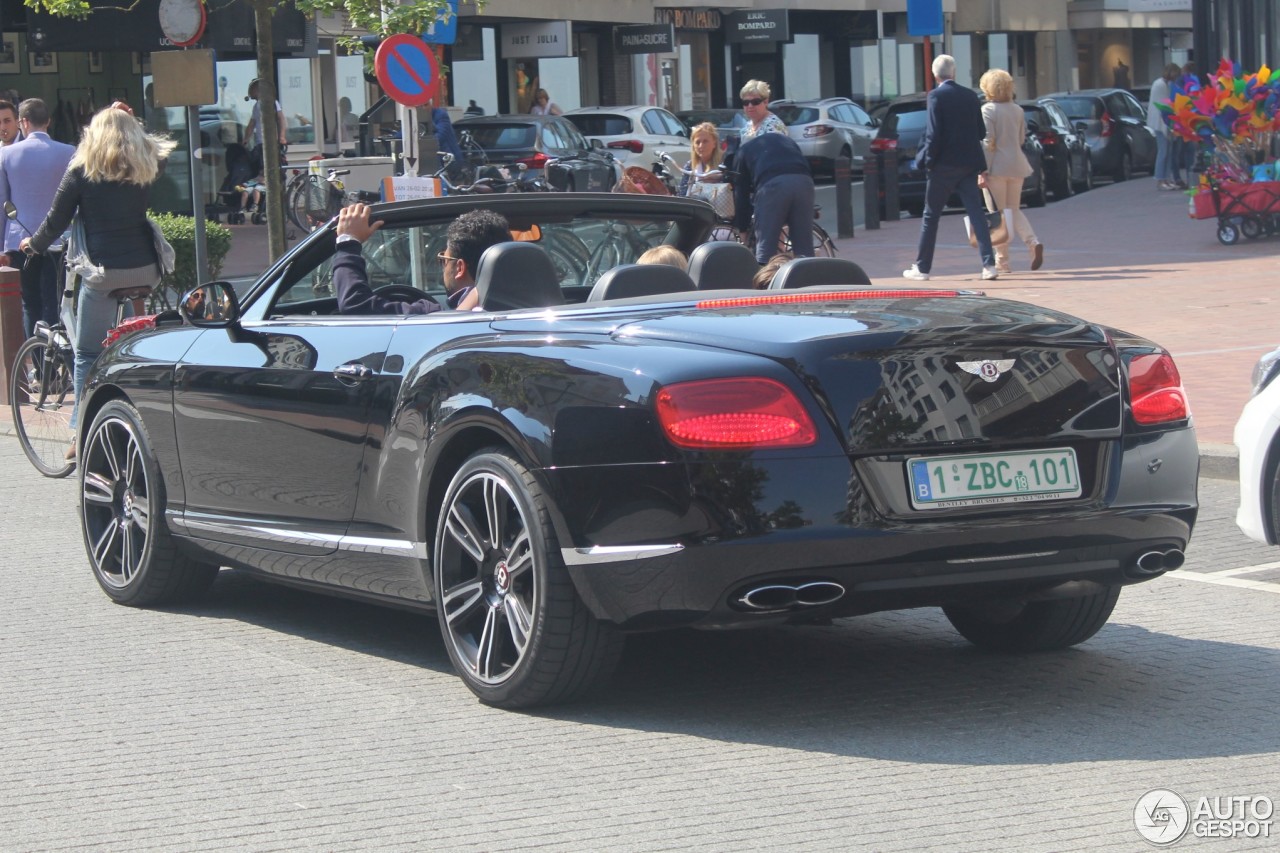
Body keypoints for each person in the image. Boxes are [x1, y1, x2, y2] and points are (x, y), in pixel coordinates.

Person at [21, 105, 176, 458]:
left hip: (104, 272)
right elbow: (152, 147)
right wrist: (133, 121)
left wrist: (33, 244)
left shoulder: (81, 170)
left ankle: (80, 431)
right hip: (147, 269)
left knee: (87, 352)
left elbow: (56, 220)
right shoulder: (146, 166)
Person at [903, 54, 999, 282]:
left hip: (943, 165)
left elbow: (933, 133)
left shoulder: (936, 96)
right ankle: (989, 264)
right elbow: (980, 132)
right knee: (976, 212)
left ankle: (923, 268)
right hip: (968, 164)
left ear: (935, 74)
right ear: (954, 72)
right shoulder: (970, 96)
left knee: (931, 215)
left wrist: (928, 162)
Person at [334, 204, 511, 314]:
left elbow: (355, 305)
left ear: (459, 268)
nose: (442, 266)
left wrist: (348, 242)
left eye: (443, 259)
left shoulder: (435, 318)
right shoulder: (534, 310)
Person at [0, 99, 76, 338]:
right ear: (49, 121)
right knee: (56, 301)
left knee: (30, 303)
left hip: (21, 240)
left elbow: (2, 203)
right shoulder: (69, 152)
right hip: (61, 239)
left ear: (23, 122)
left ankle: (39, 365)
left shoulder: (6, 155)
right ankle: (57, 360)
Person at [979, 68, 1044, 273]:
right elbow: (1021, 139)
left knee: (997, 214)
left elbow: (988, 142)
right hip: (1017, 165)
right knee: (1013, 210)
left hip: (996, 167)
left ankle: (1002, 261)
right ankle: (1032, 242)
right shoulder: (1017, 109)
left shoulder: (987, 110)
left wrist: (982, 170)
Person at [731, 124, 816, 264]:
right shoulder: (786, 141)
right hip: (804, 181)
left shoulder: (742, 151)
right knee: (804, 250)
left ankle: (764, 282)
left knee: (766, 249)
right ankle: (809, 281)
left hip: (773, 186)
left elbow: (741, 195)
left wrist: (742, 229)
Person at [243, 78, 286, 174]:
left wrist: (282, 137)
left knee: (268, 170)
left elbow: (281, 118)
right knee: (260, 169)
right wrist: (245, 139)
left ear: (257, 90)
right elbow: (251, 124)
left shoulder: (271, 102)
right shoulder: (256, 106)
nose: (250, 93)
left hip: (271, 143)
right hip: (260, 144)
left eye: (251, 90)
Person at [1149, 63, 1180, 191]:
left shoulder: (1165, 84)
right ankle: (1160, 179)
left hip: (1165, 121)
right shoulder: (1160, 85)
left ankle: (1166, 178)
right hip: (1160, 122)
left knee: (1168, 151)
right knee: (1163, 151)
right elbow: (1164, 105)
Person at [678, 122, 724, 196]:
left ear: (714, 143)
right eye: (697, 142)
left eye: (705, 141)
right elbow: (682, 194)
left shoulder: (724, 164)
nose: (701, 146)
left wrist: (721, 178)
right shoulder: (690, 166)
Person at [432, 106, 465, 177]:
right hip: (436, 164)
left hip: (450, 162)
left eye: (425, 105)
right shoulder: (415, 117)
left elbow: (440, 137)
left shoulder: (441, 115)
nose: (423, 108)